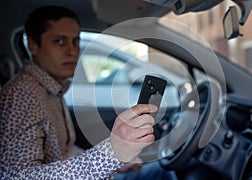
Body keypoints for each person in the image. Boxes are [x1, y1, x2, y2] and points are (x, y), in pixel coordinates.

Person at [0, 5, 161, 179]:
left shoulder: (51, 90)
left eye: (75, 41)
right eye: (59, 41)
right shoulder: (22, 96)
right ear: (33, 45)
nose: (72, 51)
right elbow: (17, 177)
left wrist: (114, 163)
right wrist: (111, 154)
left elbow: (65, 152)